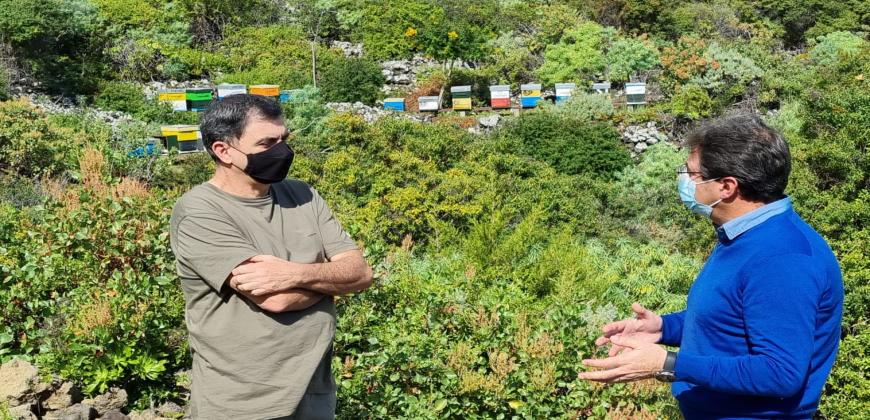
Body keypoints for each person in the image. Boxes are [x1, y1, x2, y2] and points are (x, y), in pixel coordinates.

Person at [578, 115, 843, 419]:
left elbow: (780, 372)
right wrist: (663, 328)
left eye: (692, 174)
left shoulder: (782, 259)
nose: (684, 181)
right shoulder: (745, 235)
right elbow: (736, 316)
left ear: (726, 187)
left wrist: (668, 364)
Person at [169, 94, 373, 419]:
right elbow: (275, 300)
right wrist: (333, 281)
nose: (282, 151)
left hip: (313, 395)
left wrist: (293, 274)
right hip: (244, 404)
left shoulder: (303, 194)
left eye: (284, 139)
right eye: (267, 142)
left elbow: (361, 272)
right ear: (223, 151)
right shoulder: (199, 213)